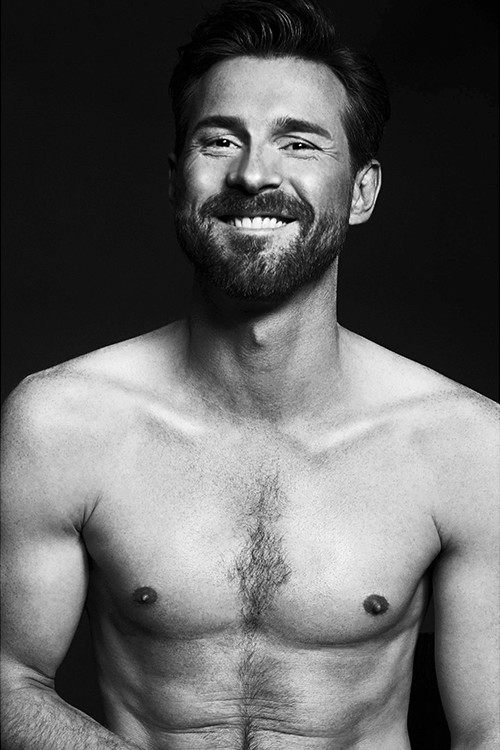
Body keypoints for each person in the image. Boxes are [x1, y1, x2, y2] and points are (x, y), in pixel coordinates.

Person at [1, 0, 498, 747]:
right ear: (177, 180)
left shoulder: (466, 446)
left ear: (361, 192)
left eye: (298, 143)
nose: (254, 172)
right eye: (220, 140)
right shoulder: (63, 423)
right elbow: (8, 678)